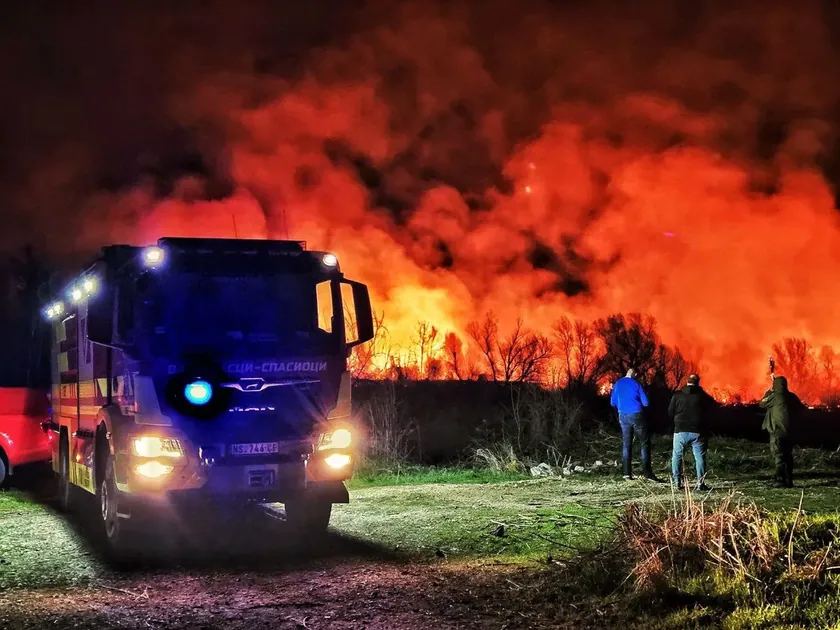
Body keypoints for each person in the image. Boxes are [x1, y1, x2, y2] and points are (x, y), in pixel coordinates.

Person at [668, 373, 717, 491]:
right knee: (699, 457)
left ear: (686, 381)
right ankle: (700, 483)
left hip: (680, 430)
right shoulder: (702, 396)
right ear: (698, 383)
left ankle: (676, 483)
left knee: (677, 456)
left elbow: (670, 412)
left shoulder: (677, 395)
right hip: (698, 431)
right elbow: (712, 408)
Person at [610, 368, 660, 481]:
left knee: (626, 444)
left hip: (622, 415)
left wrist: (622, 405)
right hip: (636, 415)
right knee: (644, 443)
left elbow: (612, 402)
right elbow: (646, 403)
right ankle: (647, 473)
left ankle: (627, 473)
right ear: (635, 374)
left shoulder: (618, 383)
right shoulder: (636, 384)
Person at [759, 375, 804, 488]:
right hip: (790, 431)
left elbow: (762, 404)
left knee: (778, 455)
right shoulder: (792, 397)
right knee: (788, 455)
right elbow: (801, 409)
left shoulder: (775, 396)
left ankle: (780, 480)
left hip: (777, 431)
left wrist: (769, 391)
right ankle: (788, 480)